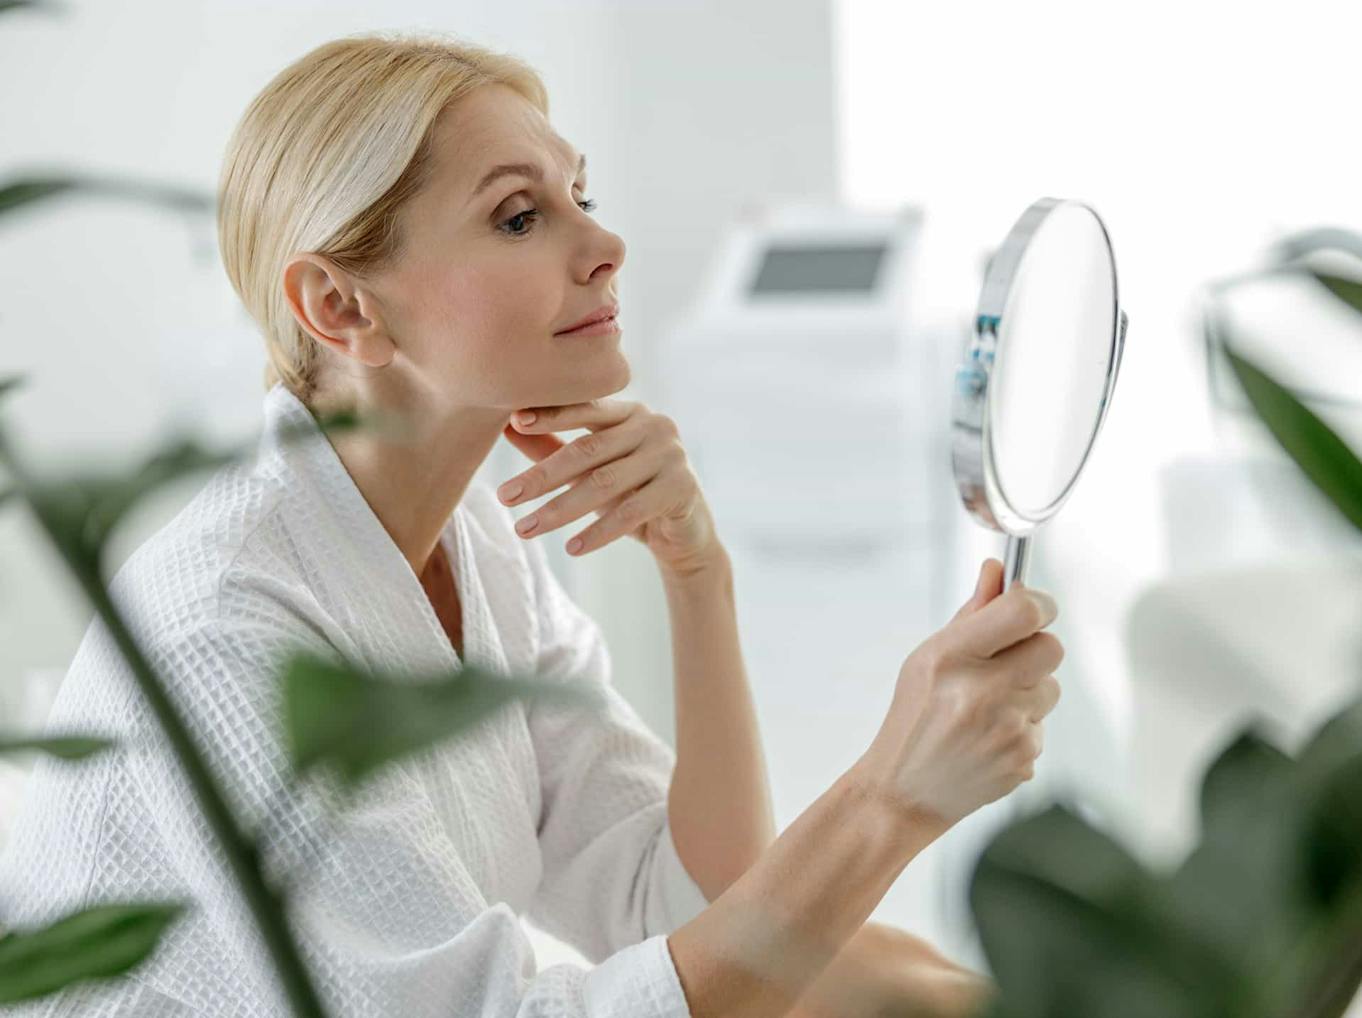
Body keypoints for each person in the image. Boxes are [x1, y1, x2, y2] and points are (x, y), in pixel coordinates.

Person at [0, 31, 1063, 1018]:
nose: (604, 244)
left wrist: (700, 575)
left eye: (581, 195)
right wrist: (892, 794)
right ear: (341, 307)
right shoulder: (228, 632)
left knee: (886, 972)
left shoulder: (476, 545)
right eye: (520, 216)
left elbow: (697, 908)